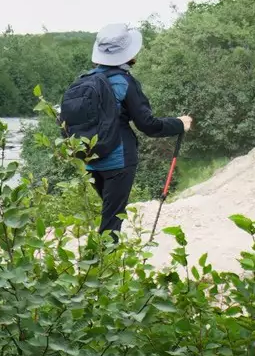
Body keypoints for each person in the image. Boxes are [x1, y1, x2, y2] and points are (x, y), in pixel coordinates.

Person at [79, 23, 191, 238]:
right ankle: (103, 267)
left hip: (89, 160)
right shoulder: (124, 82)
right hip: (119, 161)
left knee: (109, 214)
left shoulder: (84, 81)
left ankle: (102, 264)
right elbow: (148, 125)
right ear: (128, 54)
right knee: (111, 222)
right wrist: (179, 123)